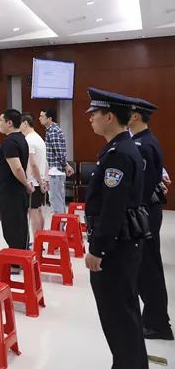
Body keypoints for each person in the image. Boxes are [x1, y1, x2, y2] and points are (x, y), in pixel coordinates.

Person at [84, 88, 148, 368]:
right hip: (122, 243)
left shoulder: (118, 154)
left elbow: (112, 207)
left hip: (115, 247)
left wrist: (98, 249)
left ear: (109, 116)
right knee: (124, 313)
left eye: (95, 114)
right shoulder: (119, 148)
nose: (91, 119)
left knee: (118, 316)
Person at [128, 97, 172, 340]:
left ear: (135, 116)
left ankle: (157, 323)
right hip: (148, 211)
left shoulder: (142, 145)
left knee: (147, 269)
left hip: (145, 212)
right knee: (147, 267)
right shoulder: (145, 140)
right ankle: (156, 319)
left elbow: (141, 188)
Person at [0, 109, 33, 251]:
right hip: (16, 192)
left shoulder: (10, 142)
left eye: (1, 120)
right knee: (20, 226)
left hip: (10, 193)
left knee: (13, 229)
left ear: (9, 122)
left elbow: (17, 168)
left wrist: (26, 184)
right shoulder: (21, 138)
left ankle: (17, 258)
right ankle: (22, 254)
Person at [39, 108, 75, 213]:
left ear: (49, 118)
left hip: (55, 172)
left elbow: (59, 151)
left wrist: (65, 165)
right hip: (55, 171)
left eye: (42, 116)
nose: (40, 118)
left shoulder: (53, 131)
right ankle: (61, 222)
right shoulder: (51, 130)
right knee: (57, 202)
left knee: (56, 203)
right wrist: (66, 164)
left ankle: (60, 223)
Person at [20, 113, 48, 243]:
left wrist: (39, 181)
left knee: (33, 211)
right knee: (38, 210)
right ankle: (40, 239)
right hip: (39, 179)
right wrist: (43, 180)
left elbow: (32, 164)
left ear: (25, 123)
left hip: (34, 181)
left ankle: (37, 241)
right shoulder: (38, 138)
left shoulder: (29, 140)